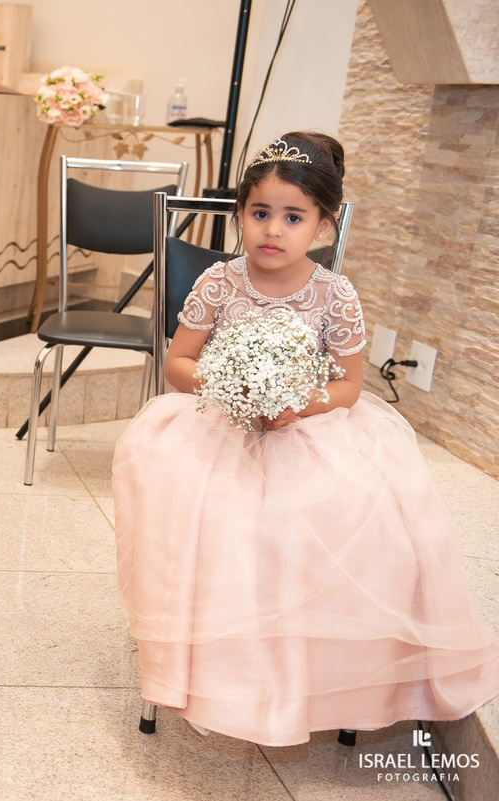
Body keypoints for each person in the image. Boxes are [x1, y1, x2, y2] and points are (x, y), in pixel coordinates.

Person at [113, 131, 499, 747]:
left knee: (346, 517)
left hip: (309, 426)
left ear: (323, 224)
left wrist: (297, 404)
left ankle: (318, 673)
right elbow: (178, 363)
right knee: (203, 509)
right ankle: (212, 666)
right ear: (240, 214)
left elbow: (347, 385)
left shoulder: (333, 293)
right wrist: (230, 386)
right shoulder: (219, 282)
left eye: (293, 217)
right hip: (220, 422)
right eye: (259, 213)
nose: (273, 230)